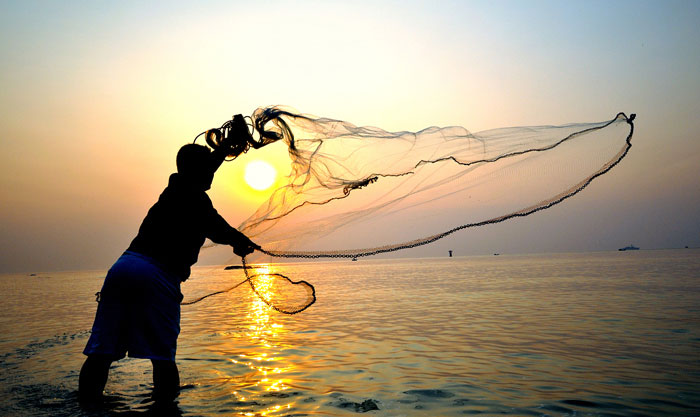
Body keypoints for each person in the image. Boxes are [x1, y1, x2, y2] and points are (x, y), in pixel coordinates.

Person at [79, 137, 259, 403]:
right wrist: (241, 242)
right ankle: (165, 410)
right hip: (156, 275)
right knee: (163, 358)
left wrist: (222, 150)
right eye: (207, 169)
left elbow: (202, 167)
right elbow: (219, 229)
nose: (212, 173)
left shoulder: (174, 189)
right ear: (197, 171)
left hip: (122, 267)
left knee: (101, 353)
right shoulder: (197, 199)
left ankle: (85, 407)